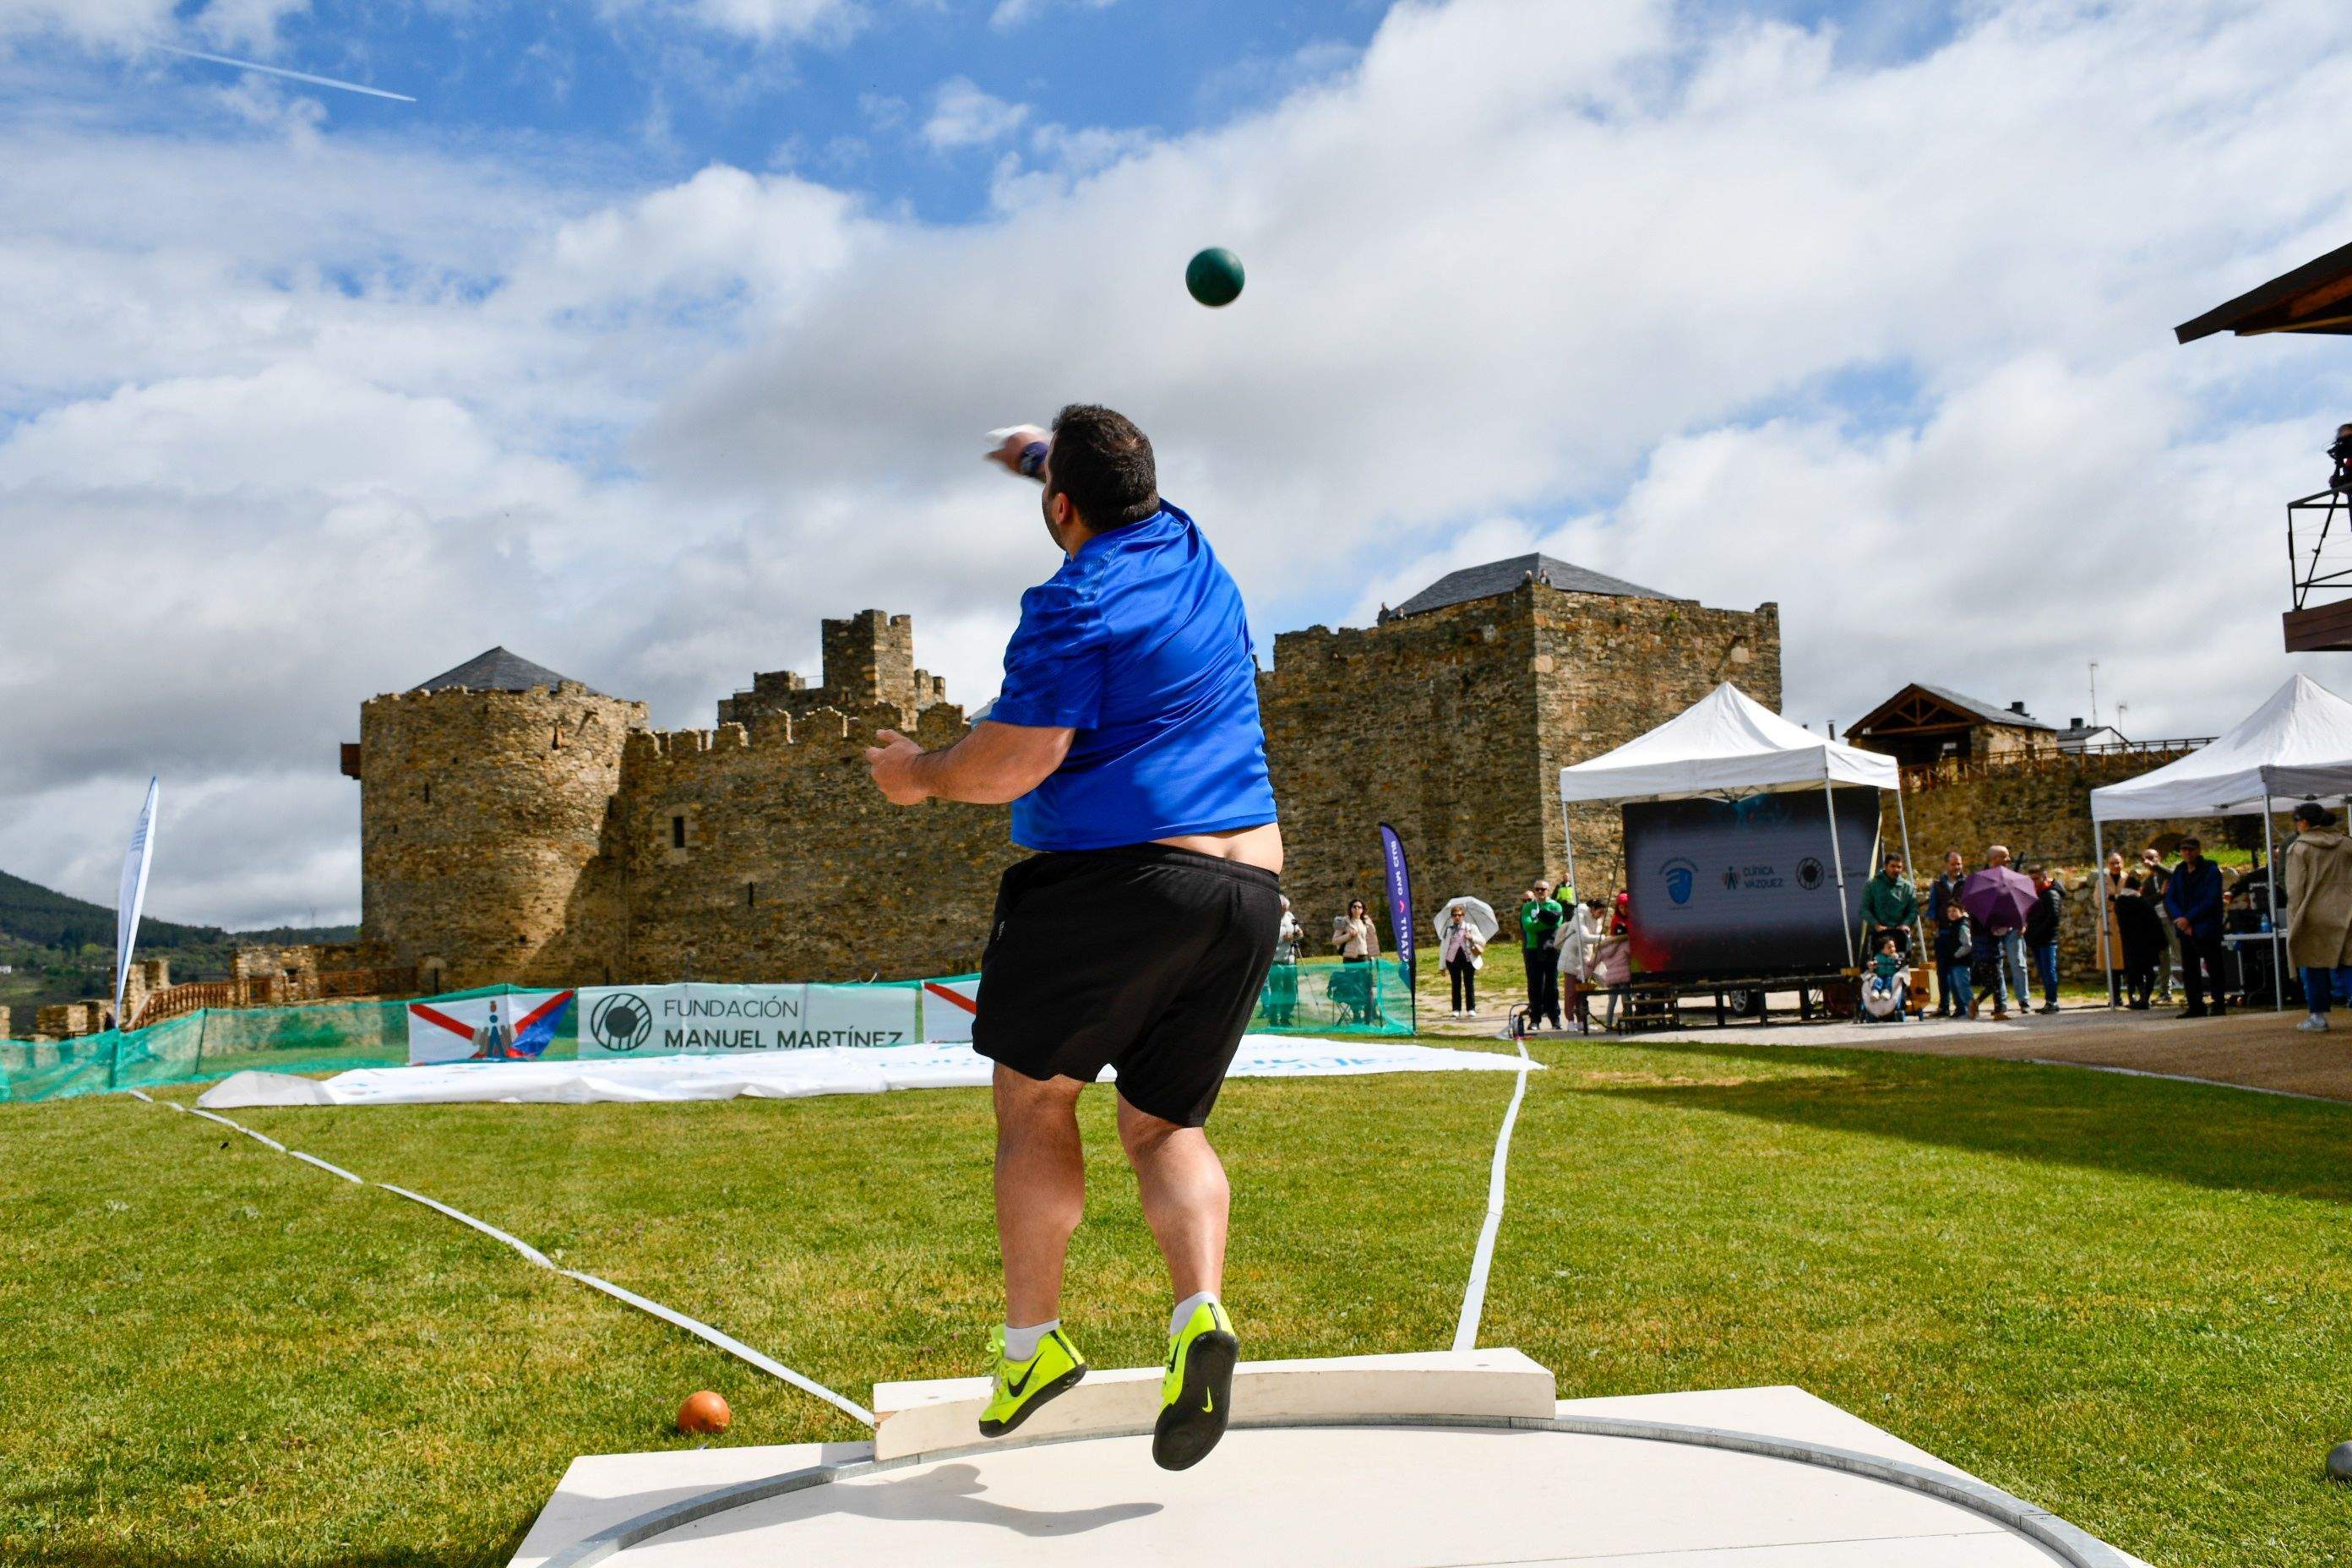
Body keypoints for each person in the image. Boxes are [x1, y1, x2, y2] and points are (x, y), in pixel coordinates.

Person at [863, 405, 1279, 1470]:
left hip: (1118, 879)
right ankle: (1199, 1314)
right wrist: (1040, 456)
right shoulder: (1192, 546)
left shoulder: (1074, 600)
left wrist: (917, 776)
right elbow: (1100, 484)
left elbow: (1017, 758)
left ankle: (1032, 1345)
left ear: (1062, 510)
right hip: (1248, 892)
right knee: (1163, 1123)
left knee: (1037, 1100)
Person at [2284, 802, 2352, 1032]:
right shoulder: (2346, 845)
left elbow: (2295, 889)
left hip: (2314, 915)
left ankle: (2318, 1016)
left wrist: (2294, 919)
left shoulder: (2299, 848)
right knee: (2348, 963)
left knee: (2313, 965)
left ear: (2303, 822)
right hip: (2347, 911)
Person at [2164, 836, 2226, 1018]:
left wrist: (2189, 919)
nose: (2187, 853)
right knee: (2189, 969)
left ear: (2198, 850)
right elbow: (2171, 898)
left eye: (2190, 849)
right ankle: (2195, 1004)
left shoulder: (2211, 871)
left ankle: (2218, 1003)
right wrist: (2181, 920)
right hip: (2185, 927)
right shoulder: (2179, 871)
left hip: (2206, 927)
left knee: (2214, 966)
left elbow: (2210, 900)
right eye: (2184, 849)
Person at [1981, 844, 2030, 1021]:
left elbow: (2023, 901)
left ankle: (2024, 1001)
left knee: (2019, 964)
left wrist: (2022, 921)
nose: (2009, 860)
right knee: (1997, 967)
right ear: (1994, 859)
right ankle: (2001, 1003)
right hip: (1994, 929)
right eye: (2005, 857)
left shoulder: (2015, 878)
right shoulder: (1984, 880)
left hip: (2013, 927)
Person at [1927, 850, 1969, 1017]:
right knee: (1943, 972)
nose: (1957, 867)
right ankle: (1944, 1006)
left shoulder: (1966, 883)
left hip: (1960, 932)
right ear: (1946, 865)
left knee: (1958, 971)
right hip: (1944, 933)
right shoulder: (1938, 885)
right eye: (1953, 864)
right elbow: (1932, 909)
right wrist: (1935, 929)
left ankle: (1961, 1006)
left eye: (1959, 863)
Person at [1518, 881, 1565, 1030]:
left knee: (1552, 985)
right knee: (1535, 985)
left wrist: (1538, 922)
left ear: (1548, 890)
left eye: (1543, 889)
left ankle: (1555, 1018)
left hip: (1551, 949)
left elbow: (1557, 924)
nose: (1540, 892)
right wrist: (1545, 922)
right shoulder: (1528, 907)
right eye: (1537, 889)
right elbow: (1528, 926)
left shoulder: (1555, 906)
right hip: (1532, 948)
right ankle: (1535, 1019)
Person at [2115, 871, 2164, 1009]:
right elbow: (2154, 921)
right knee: (2148, 971)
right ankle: (2145, 997)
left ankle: (2135, 997)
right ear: (2139, 888)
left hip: (2129, 942)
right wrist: (2161, 942)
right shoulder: (2141, 901)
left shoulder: (2120, 902)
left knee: (2133, 972)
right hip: (2145, 942)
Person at [1557, 897, 1606, 1027]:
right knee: (1571, 992)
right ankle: (1570, 1021)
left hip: (1585, 958)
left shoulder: (1598, 920)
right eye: (1600, 912)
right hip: (1572, 958)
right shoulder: (1580, 916)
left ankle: (1581, 1020)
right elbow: (1583, 937)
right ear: (1592, 909)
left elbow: (1594, 939)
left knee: (1582, 993)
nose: (1601, 916)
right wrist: (1603, 938)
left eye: (1603, 913)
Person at [1859, 852, 1919, 961]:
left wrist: (1906, 924)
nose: (1896, 870)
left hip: (1900, 934)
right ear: (1885, 866)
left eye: (1899, 867)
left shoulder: (1908, 887)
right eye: (1893, 866)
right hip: (1880, 934)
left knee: (1901, 968)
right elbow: (1864, 909)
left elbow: (1913, 910)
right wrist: (1876, 924)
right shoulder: (1873, 885)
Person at [1333, 898, 1381, 1024]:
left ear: (1363, 909)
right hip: (1350, 958)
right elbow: (1335, 940)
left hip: (1364, 957)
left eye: (1359, 907)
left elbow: (1372, 939)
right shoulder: (1342, 921)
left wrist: (1373, 955)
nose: (1356, 909)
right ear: (1350, 908)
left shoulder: (1366, 921)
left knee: (1368, 987)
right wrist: (1349, 936)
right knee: (1353, 988)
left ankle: (1369, 1014)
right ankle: (1356, 1015)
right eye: (1354, 907)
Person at [2024, 864, 2065, 1015]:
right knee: (2044, 971)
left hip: (2047, 940)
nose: (2034, 882)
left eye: (2036, 878)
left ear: (2044, 876)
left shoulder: (2050, 894)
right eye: (2031, 879)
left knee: (2049, 971)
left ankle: (2052, 1001)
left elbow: (2053, 918)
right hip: (2038, 939)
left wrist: (2038, 933)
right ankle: (2049, 1001)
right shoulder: (2037, 894)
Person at [2139, 847, 2175, 1003]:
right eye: (2146, 858)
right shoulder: (2146, 882)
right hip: (2157, 921)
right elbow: (2146, 903)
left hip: (2171, 920)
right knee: (2163, 958)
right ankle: (2165, 992)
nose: (2149, 861)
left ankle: (2192, 990)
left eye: (2152, 858)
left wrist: (2155, 867)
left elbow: (2173, 876)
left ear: (2159, 858)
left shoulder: (2167, 874)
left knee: (2181, 954)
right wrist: (2160, 894)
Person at [1440, 902, 1484, 1017]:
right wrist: (1442, 966)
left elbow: (1482, 941)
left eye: (1459, 915)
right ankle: (1456, 1009)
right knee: (1456, 984)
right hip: (1452, 960)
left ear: (1463, 915)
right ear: (1452, 917)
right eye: (1454, 915)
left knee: (1469, 984)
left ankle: (1471, 1008)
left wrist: (1471, 937)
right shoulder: (1449, 930)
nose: (1457, 917)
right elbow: (1444, 948)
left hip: (1468, 959)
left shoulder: (1471, 927)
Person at [2095, 851, 2127, 1006]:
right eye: (2113, 863)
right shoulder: (2101, 882)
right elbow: (2099, 901)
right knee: (2112, 962)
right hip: (2108, 922)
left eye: (2118, 862)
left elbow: (2132, 898)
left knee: (2128, 959)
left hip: (2125, 922)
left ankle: (2133, 995)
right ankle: (2115, 996)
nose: (2116, 865)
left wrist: (2114, 899)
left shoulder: (2128, 879)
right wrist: (2117, 899)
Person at [1265, 896, 1302, 1027]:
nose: (1285, 911)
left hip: (1290, 960)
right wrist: (1282, 939)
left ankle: (1286, 1018)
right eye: (1283, 909)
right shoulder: (1270, 918)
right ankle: (1273, 1019)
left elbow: (1299, 933)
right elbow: (1266, 939)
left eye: (1286, 909)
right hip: (1275, 960)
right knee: (1276, 990)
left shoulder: (1289, 916)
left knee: (1290, 990)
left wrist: (1295, 935)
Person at [1934, 899, 1975, 1019]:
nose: (1951, 913)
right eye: (1949, 911)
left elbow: (1967, 945)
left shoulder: (1963, 926)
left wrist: (1956, 954)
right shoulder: (1954, 925)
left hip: (1962, 962)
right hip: (1954, 962)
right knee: (1955, 986)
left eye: (1954, 911)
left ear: (1962, 911)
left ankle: (1971, 1010)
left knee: (1963, 986)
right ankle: (1962, 1010)